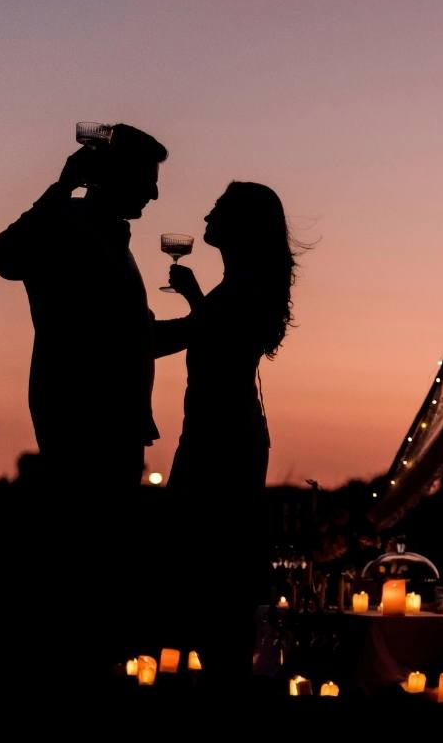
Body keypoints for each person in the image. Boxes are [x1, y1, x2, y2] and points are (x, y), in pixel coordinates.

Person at [158, 181, 298, 679]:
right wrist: (195, 298)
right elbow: (212, 329)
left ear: (242, 225)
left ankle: (227, 683)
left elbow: (211, 335)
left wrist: (124, 336)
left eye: (217, 209)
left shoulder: (247, 287)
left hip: (223, 438)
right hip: (219, 431)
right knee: (210, 570)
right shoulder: (240, 285)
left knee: (211, 570)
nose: (206, 217)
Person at [0, 123, 176, 498]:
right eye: (146, 180)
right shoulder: (64, 225)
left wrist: (202, 323)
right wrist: (62, 188)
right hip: (80, 421)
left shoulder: (113, 238)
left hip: (120, 423)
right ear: (115, 175)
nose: (154, 193)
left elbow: (138, 339)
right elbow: (5, 257)